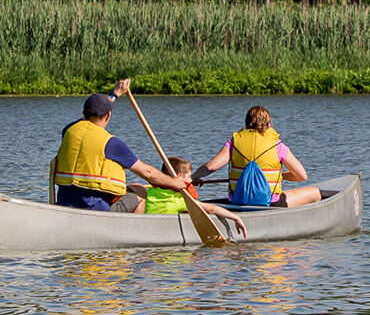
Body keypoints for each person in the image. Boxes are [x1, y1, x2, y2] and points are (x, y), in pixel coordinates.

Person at [53, 79, 186, 212]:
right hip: (95, 209)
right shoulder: (111, 143)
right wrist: (174, 182)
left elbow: (84, 119)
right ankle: (132, 230)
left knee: (134, 187)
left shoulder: (69, 130)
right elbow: (148, 173)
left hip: (65, 204)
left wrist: (115, 94)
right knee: (140, 191)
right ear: (108, 116)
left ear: (85, 113)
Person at [193, 105, 321, 207]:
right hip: (271, 202)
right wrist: (280, 176)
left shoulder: (234, 142)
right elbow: (301, 176)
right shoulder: (277, 145)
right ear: (269, 124)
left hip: (238, 201)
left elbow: (210, 167)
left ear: (247, 124)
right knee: (315, 193)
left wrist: (193, 177)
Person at [146, 157, 248, 239]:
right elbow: (212, 209)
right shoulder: (179, 200)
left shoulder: (151, 192)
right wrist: (236, 218)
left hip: (149, 227)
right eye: (189, 177)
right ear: (180, 176)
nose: (191, 180)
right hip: (166, 241)